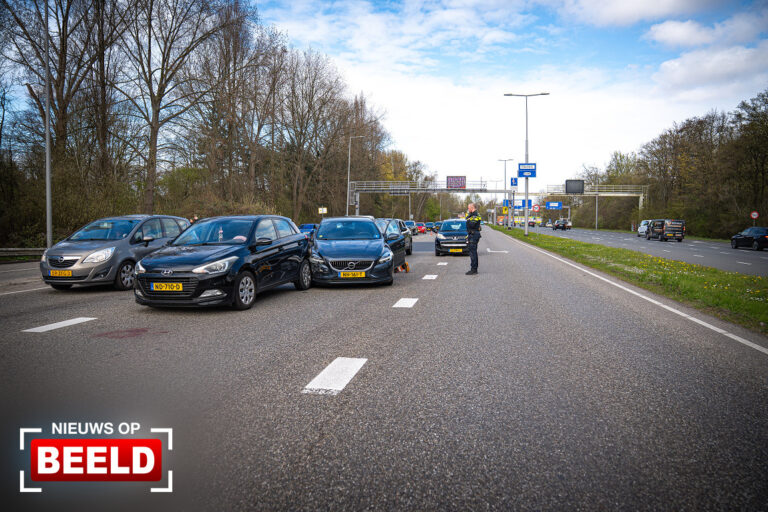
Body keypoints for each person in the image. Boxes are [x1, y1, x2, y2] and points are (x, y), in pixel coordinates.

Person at [465, 203, 482, 275]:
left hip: (473, 234)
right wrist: (468, 217)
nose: (468, 210)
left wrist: (468, 219)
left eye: (469, 208)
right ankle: (474, 268)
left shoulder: (475, 215)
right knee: (472, 252)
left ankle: (474, 269)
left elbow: (471, 224)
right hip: (472, 234)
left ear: (472, 208)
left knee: (473, 253)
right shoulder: (472, 215)